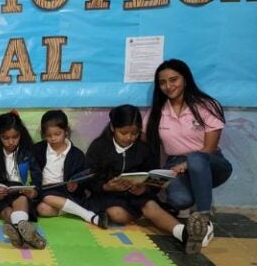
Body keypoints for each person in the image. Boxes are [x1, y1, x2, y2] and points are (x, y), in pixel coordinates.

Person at [84, 104, 209, 255]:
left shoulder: (144, 149)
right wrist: (107, 187)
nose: (129, 137)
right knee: (118, 214)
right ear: (112, 127)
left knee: (151, 205)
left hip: (135, 194)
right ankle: (142, 216)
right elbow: (89, 177)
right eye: (123, 133)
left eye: (134, 133)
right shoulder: (99, 147)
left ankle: (184, 234)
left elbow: (153, 177)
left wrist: (145, 188)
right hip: (107, 195)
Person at [145, 59, 231, 241]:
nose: (168, 86)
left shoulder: (207, 105)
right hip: (175, 164)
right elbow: (143, 142)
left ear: (185, 79)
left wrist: (188, 163)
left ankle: (204, 219)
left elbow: (209, 149)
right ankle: (197, 201)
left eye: (173, 79)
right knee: (179, 200)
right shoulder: (157, 112)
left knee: (196, 159)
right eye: (162, 82)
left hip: (210, 162)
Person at [0, 111, 46, 249]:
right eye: (5, 138)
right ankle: (28, 234)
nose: (11, 141)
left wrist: (34, 192)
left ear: (21, 135)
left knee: (21, 200)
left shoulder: (27, 150)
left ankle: (18, 232)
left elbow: (37, 177)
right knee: (4, 210)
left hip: (19, 191)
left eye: (15, 137)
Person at [33, 110, 107, 228]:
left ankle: (88, 215)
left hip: (65, 192)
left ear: (66, 132)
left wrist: (75, 186)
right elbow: (34, 172)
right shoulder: (38, 150)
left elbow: (83, 179)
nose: (53, 138)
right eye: (48, 135)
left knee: (47, 198)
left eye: (57, 134)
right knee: (42, 209)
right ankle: (72, 209)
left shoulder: (77, 154)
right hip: (44, 189)